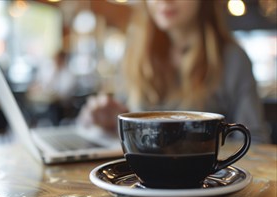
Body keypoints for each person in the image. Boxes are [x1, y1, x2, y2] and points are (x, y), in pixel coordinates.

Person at [77, 0, 269, 143]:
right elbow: (129, 134)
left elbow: (254, 139)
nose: (164, 1)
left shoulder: (232, 58)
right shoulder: (135, 56)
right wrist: (108, 121)